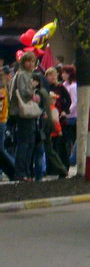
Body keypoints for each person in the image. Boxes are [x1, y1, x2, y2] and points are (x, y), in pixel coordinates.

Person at [9, 51, 42, 181]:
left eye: (33, 61)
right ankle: (22, 172)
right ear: (23, 62)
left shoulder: (23, 74)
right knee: (26, 142)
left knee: (28, 142)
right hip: (24, 113)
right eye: (28, 61)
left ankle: (25, 171)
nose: (31, 64)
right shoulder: (23, 75)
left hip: (22, 112)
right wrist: (33, 94)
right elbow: (23, 92)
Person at [0, 65, 17, 180]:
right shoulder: (4, 87)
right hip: (3, 120)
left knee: (1, 151)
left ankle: (13, 171)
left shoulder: (2, 89)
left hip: (1, 120)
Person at [61, 65, 78, 166]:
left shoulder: (72, 87)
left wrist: (66, 111)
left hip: (71, 116)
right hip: (68, 115)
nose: (63, 75)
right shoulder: (65, 85)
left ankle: (70, 159)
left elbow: (74, 102)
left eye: (65, 73)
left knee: (69, 139)